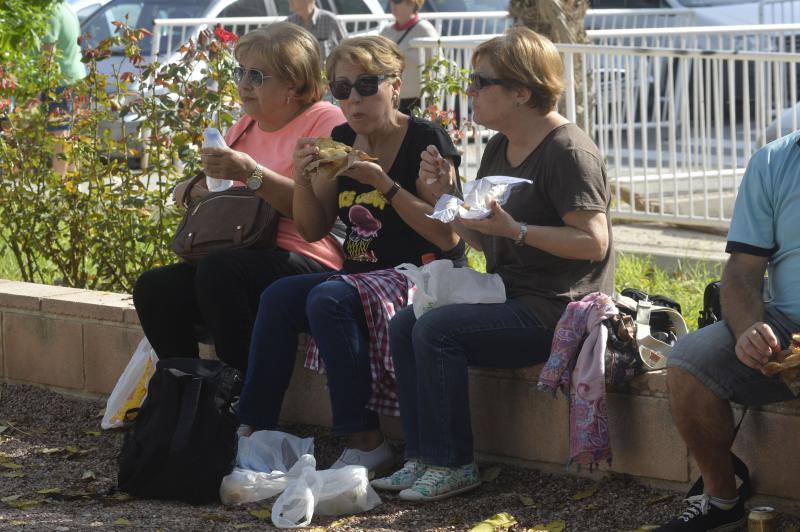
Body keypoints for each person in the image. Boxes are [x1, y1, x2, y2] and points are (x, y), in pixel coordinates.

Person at [373, 27, 614, 501]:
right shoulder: (501, 146)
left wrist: (517, 231)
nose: (470, 91)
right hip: (509, 293)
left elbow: (593, 243)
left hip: (559, 310)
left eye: (481, 82)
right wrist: (447, 197)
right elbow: (483, 240)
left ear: (522, 91)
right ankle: (423, 456)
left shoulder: (567, 151)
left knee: (436, 330)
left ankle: (453, 464)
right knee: (406, 324)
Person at [235, 35, 465, 476]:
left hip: (423, 274)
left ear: (395, 86)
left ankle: (364, 440)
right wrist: (304, 178)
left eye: (366, 85)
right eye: (341, 89)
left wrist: (385, 185)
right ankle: (254, 427)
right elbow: (314, 227)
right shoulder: (340, 137)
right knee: (280, 296)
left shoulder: (426, 139)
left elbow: (448, 234)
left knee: (330, 298)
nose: (353, 100)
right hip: (362, 278)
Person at [132, 23, 346, 372]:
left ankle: (245, 394)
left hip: (306, 254)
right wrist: (192, 189)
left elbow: (318, 212)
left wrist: (251, 173)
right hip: (240, 252)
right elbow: (222, 189)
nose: (243, 83)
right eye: (240, 71)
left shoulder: (326, 121)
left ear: (293, 84)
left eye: (257, 76)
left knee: (220, 271)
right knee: (156, 287)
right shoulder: (244, 125)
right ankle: (190, 393)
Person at [654, 131, 800, 531]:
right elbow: (742, 271)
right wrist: (749, 328)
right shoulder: (773, 162)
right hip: (790, 328)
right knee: (689, 362)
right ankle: (721, 501)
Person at [41, 0, 87, 176]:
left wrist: (41, 86)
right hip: (78, 76)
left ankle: (59, 184)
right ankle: (72, 187)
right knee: (71, 133)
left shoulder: (51, 11)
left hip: (61, 81)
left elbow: (48, 53)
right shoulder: (66, 7)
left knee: (59, 134)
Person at [379, 0, 438, 114]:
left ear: (412, 3)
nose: (392, 5)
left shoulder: (424, 29)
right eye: (390, 1)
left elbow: (437, 67)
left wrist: (434, 100)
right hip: (391, 97)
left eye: (397, 1)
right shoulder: (386, 30)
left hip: (418, 100)